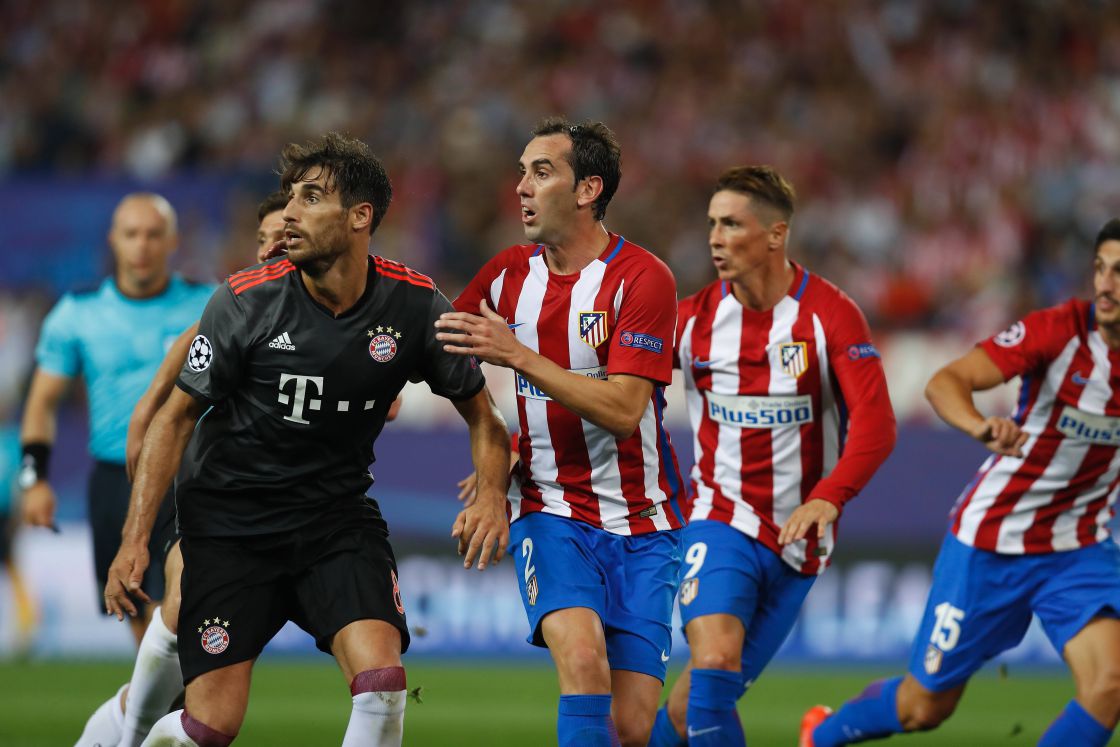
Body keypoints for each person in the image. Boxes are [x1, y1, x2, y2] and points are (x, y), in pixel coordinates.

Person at [105, 133, 510, 747]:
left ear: (359, 217)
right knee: (208, 729)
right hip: (233, 526)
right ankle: (142, 733)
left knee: (383, 684)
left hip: (334, 521)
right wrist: (135, 541)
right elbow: (176, 418)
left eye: (311, 198)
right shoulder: (247, 300)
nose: (289, 213)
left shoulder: (414, 304)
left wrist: (489, 490)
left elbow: (484, 417)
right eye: (290, 197)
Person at [800, 218, 1120, 746]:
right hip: (994, 540)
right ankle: (824, 733)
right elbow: (946, 381)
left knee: (1108, 687)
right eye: (1100, 269)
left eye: (1119, 273)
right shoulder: (1058, 331)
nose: (1105, 285)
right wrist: (979, 425)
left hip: (1079, 546)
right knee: (924, 707)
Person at [435, 117, 685, 747]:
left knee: (632, 727)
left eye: (540, 172)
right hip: (549, 510)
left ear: (587, 189)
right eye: (521, 171)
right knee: (581, 662)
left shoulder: (643, 278)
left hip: (646, 523)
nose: (520, 186)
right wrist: (494, 478)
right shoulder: (502, 278)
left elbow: (626, 409)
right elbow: (426, 352)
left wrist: (518, 355)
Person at [643, 166, 896, 747]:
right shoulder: (692, 321)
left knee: (691, 708)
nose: (714, 237)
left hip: (798, 542)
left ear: (775, 235)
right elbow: (613, 382)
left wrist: (830, 497)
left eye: (731, 224)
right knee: (713, 666)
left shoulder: (829, 315)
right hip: (720, 518)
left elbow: (876, 423)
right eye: (711, 223)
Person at [75, 190, 291, 747]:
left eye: (282, 240)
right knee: (180, 620)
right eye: (262, 240)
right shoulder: (228, 311)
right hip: (205, 502)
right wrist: (152, 485)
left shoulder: (323, 323)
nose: (270, 250)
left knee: (189, 684)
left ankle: (117, 732)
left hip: (280, 513)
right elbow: (153, 407)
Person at [19, 193, 214, 643]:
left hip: (192, 476)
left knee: (186, 608)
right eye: (131, 234)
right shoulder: (77, 314)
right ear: (114, 240)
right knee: (140, 619)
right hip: (116, 478)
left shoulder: (208, 305)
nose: (141, 245)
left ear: (173, 241)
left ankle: (180, 709)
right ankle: (156, 711)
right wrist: (35, 480)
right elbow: (43, 400)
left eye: (153, 234)